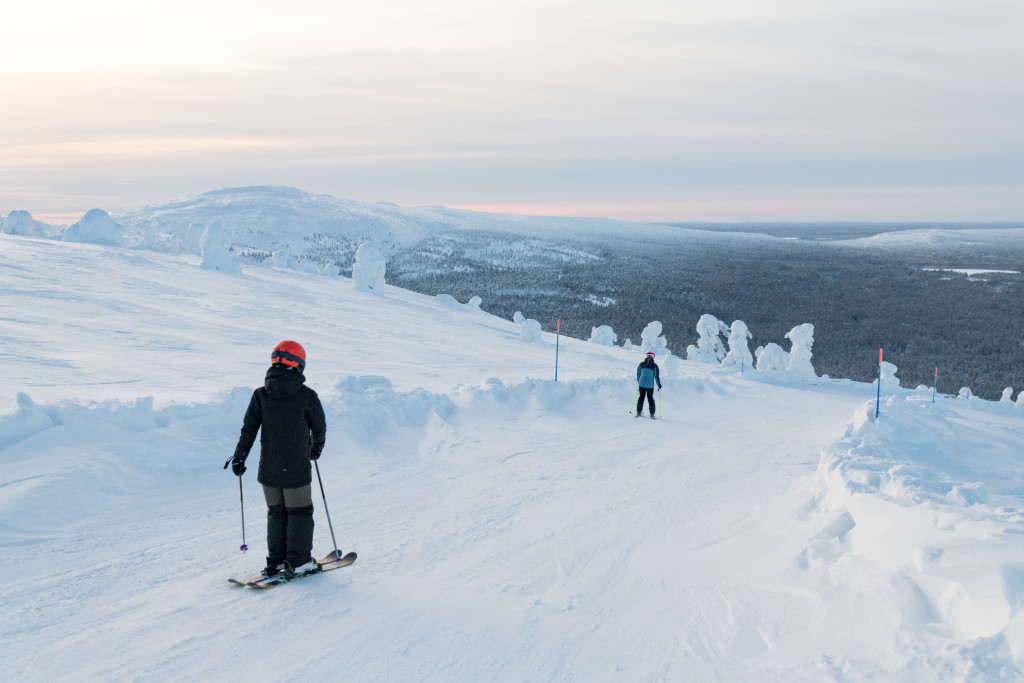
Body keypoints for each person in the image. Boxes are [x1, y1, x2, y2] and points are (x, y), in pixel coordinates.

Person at [228, 340, 327, 577]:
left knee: (277, 514)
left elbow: (249, 429)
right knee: (300, 513)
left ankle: (276, 560)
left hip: (269, 470)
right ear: (300, 365)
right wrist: (316, 448)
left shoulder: (261, 395)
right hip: (296, 469)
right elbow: (319, 427)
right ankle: (300, 561)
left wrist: (239, 457)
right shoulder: (307, 396)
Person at [636, 350, 662, 418]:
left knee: (641, 397)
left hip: (641, 384)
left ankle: (639, 412)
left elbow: (638, 373)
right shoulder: (655, 366)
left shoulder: (641, 364)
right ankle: (652, 414)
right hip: (650, 385)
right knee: (650, 398)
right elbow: (656, 376)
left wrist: (639, 381)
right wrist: (659, 384)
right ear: (653, 357)